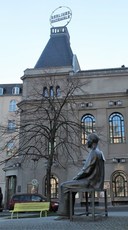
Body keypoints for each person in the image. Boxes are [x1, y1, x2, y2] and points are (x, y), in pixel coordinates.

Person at [56, 133, 105, 220]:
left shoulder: (94, 153)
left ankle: (64, 214)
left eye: (87, 140)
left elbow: (86, 170)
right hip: (94, 181)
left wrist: (76, 177)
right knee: (70, 187)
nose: (86, 142)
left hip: (90, 182)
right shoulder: (99, 152)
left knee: (64, 185)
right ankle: (69, 213)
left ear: (92, 141)